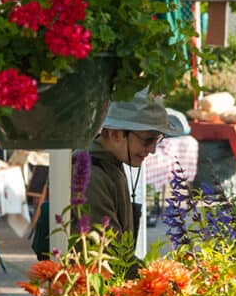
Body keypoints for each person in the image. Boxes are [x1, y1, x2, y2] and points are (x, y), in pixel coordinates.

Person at [80, 94, 189, 246]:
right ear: (115, 134)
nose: (152, 150)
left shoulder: (112, 162)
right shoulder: (91, 177)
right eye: (147, 140)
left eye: (157, 139)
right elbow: (107, 253)